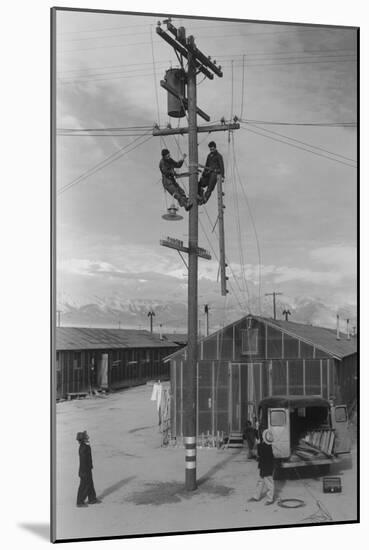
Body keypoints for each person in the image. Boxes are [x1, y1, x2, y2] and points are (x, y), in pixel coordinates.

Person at [248, 429, 275, 505]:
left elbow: (256, 453)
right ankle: (256, 496)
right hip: (266, 467)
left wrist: (255, 446)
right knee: (261, 481)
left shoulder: (261, 446)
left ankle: (270, 499)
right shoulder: (269, 446)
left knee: (268, 483)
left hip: (265, 467)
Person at [76, 431, 102, 507]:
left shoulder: (84, 446)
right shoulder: (84, 447)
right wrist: (86, 471)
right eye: (86, 437)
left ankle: (92, 498)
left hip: (87, 469)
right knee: (84, 486)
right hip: (85, 470)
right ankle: (80, 502)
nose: (87, 438)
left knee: (90, 484)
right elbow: (84, 460)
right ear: (83, 439)